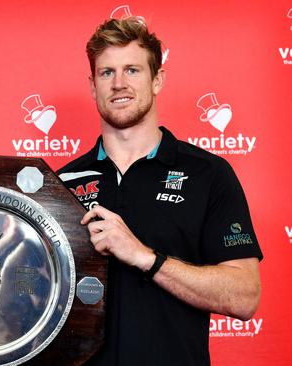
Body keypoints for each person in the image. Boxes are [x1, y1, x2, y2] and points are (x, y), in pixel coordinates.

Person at [57, 17, 262, 365]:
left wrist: (144, 257)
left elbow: (244, 297)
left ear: (157, 80)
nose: (119, 84)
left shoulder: (208, 174)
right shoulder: (63, 183)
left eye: (133, 70)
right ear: (92, 86)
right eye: (107, 73)